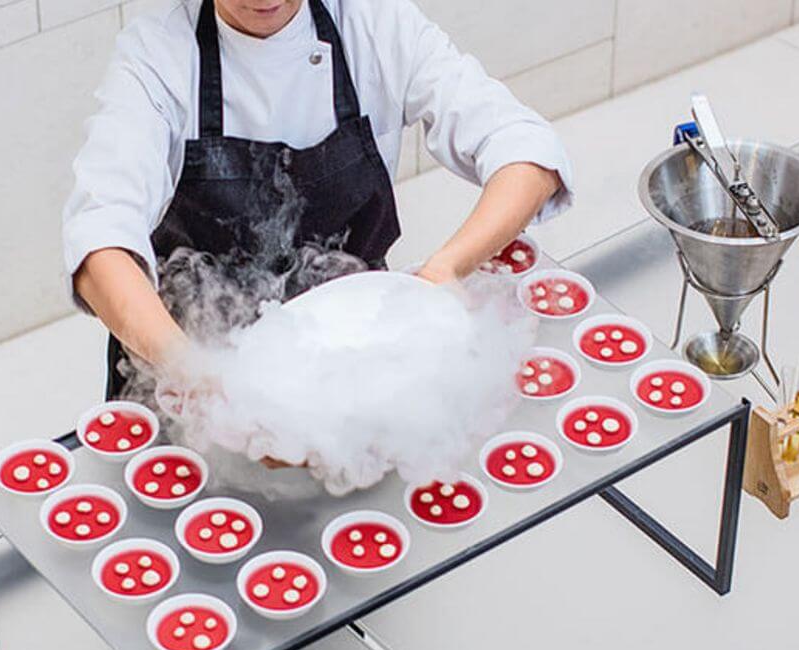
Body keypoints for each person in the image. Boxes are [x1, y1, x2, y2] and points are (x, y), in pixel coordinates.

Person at [62, 0, 573, 398]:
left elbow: (525, 149)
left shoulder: (372, 23)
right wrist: (199, 378)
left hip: (353, 352)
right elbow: (100, 240)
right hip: (193, 365)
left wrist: (445, 271)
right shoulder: (157, 56)